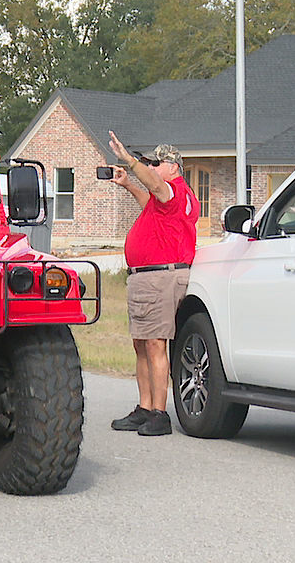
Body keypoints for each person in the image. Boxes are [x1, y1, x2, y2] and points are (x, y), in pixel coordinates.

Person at [105, 131, 199, 437]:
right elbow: (149, 197)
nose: (154, 168)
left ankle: (160, 413)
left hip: (160, 276)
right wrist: (129, 183)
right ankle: (145, 408)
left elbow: (155, 186)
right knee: (142, 343)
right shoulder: (165, 201)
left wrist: (129, 161)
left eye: (157, 163)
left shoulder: (175, 190)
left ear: (173, 166)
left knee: (156, 342)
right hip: (146, 277)